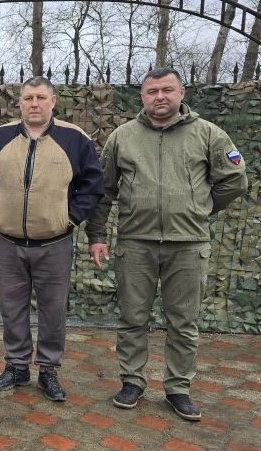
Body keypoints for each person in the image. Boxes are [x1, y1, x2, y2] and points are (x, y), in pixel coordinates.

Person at [86, 67, 247, 421]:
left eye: (167, 90)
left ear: (181, 93)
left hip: (188, 245)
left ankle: (178, 388)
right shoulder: (122, 137)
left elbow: (235, 179)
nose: (160, 97)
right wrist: (96, 236)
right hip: (136, 243)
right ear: (142, 96)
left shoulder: (208, 134)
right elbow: (103, 190)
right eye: (152, 91)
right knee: (132, 317)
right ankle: (132, 381)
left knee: (183, 321)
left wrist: (200, 209)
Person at [0, 76, 103, 402]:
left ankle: (48, 370)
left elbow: (92, 185)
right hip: (8, 242)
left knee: (53, 310)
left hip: (54, 243)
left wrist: (70, 218)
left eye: (41, 97)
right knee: (12, 308)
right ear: (19, 102)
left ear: (53, 100)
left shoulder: (75, 139)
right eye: (28, 98)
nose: (34, 103)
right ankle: (17, 366)